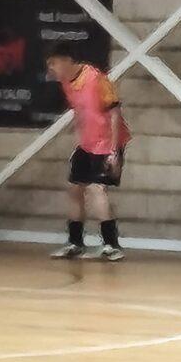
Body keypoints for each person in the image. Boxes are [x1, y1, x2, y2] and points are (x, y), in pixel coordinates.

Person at [45, 40, 130, 262]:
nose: (51, 69)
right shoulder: (67, 83)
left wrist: (114, 151)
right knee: (74, 189)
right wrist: (78, 143)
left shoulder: (96, 78)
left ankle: (111, 245)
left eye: (53, 63)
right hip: (86, 144)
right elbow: (80, 115)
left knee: (96, 189)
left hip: (107, 143)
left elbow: (114, 114)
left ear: (66, 61)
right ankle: (75, 242)